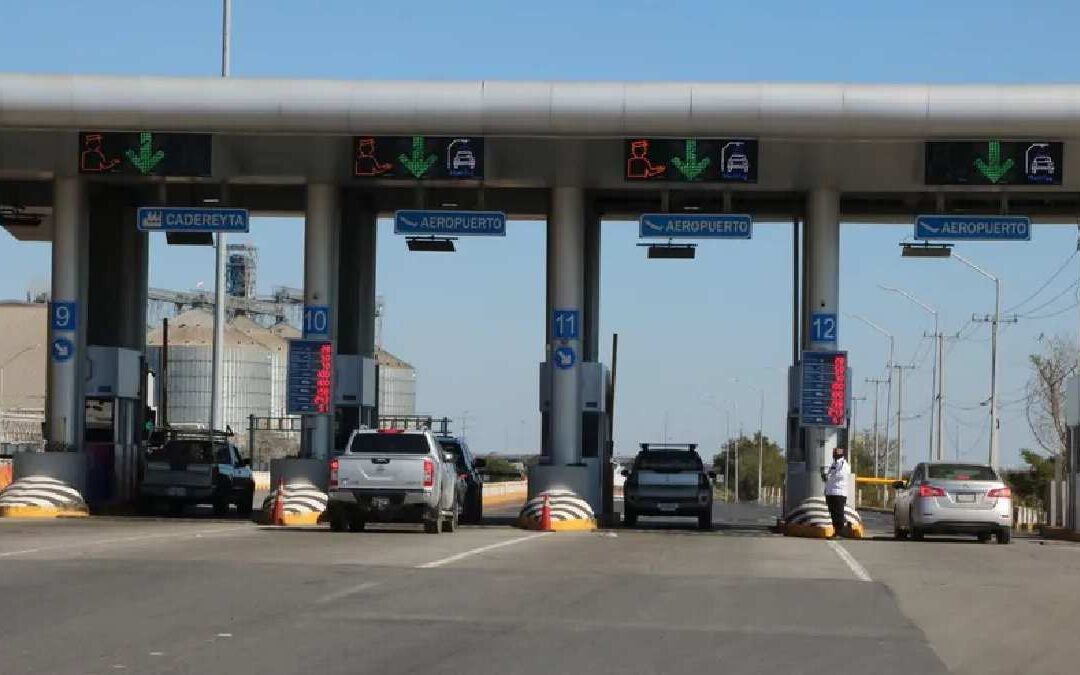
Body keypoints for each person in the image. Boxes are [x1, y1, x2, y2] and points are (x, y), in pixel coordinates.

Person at [821, 447, 850, 538]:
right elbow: (830, 474)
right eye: (834, 453)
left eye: (835, 453)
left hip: (838, 492)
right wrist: (825, 476)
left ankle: (841, 531)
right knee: (833, 513)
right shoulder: (833, 464)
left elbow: (840, 475)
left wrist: (828, 477)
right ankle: (836, 531)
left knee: (838, 512)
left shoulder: (843, 464)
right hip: (831, 492)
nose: (834, 455)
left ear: (840, 454)